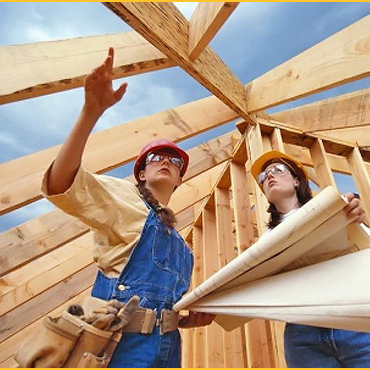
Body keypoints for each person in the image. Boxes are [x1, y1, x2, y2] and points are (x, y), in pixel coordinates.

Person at [42, 47, 214, 368]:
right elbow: (61, 183)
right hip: (118, 348)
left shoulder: (181, 246)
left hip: (167, 352)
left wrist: (191, 319)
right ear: (141, 173)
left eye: (174, 160)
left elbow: (165, 309)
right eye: (155, 157)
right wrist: (90, 112)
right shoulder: (122, 198)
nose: (165, 160)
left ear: (178, 179)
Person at [250, 150, 370, 368]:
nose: (269, 176)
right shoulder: (266, 241)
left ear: (297, 181)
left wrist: (352, 222)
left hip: (358, 321)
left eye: (278, 170)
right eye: (264, 176)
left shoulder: (334, 211)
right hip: (303, 336)